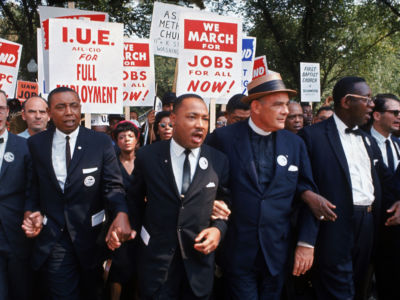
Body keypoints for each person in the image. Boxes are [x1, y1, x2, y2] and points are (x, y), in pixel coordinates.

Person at [207, 73, 323, 300]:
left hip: (279, 253)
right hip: (236, 251)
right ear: (257, 107)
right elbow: (204, 183)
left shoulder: (296, 144)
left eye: (286, 105)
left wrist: (306, 242)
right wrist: (210, 202)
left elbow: (308, 194)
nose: (286, 111)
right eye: (278, 105)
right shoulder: (222, 138)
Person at [22, 87, 135, 300]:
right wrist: (32, 211)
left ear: (80, 109)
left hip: (92, 238)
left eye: (74, 106)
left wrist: (121, 212)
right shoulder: (36, 144)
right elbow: (33, 188)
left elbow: (113, 186)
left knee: (93, 291)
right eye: (61, 107)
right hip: (55, 238)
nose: (69, 112)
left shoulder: (100, 143)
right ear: (49, 112)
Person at [118, 94, 230, 300]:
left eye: (205, 119)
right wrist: (126, 225)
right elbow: (132, 200)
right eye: (192, 117)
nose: (200, 125)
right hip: (156, 265)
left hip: (198, 266)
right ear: (174, 119)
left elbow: (226, 204)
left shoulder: (218, 160)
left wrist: (218, 230)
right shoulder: (148, 156)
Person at [299, 77, 400, 300]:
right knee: (338, 292)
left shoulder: (367, 140)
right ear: (346, 101)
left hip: (368, 227)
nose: (372, 104)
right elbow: (299, 179)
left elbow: (387, 182)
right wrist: (306, 194)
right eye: (367, 99)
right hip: (334, 226)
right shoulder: (312, 137)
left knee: (359, 288)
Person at [0, 90, 32, 299]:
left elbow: (33, 189)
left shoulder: (24, 146)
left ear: (7, 112)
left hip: (16, 234)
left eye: (1, 108)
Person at [368, 93, 400, 300]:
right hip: (369, 232)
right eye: (395, 112)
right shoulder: (360, 142)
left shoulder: (398, 143)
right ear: (377, 115)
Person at [108, 121, 141, 300]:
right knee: (118, 266)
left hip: (142, 220)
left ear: (136, 139)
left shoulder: (145, 161)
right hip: (117, 220)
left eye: (130, 136)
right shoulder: (111, 163)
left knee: (139, 266)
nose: (126, 140)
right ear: (116, 141)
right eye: (121, 137)